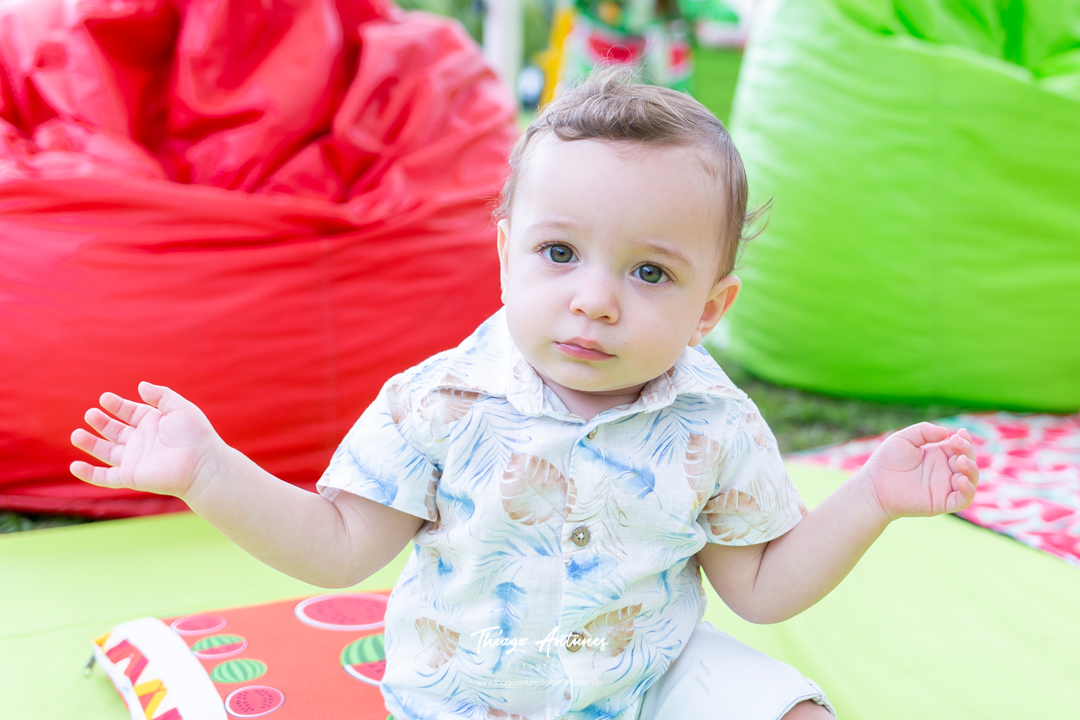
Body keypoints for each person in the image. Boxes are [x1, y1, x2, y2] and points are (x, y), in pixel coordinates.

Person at [70, 67, 980, 720]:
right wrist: (210, 472)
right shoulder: (440, 402)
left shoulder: (717, 423)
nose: (594, 297)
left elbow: (762, 589)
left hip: (644, 680)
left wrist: (872, 498)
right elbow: (339, 547)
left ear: (712, 306)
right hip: (469, 699)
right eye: (558, 253)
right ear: (503, 250)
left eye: (651, 272)